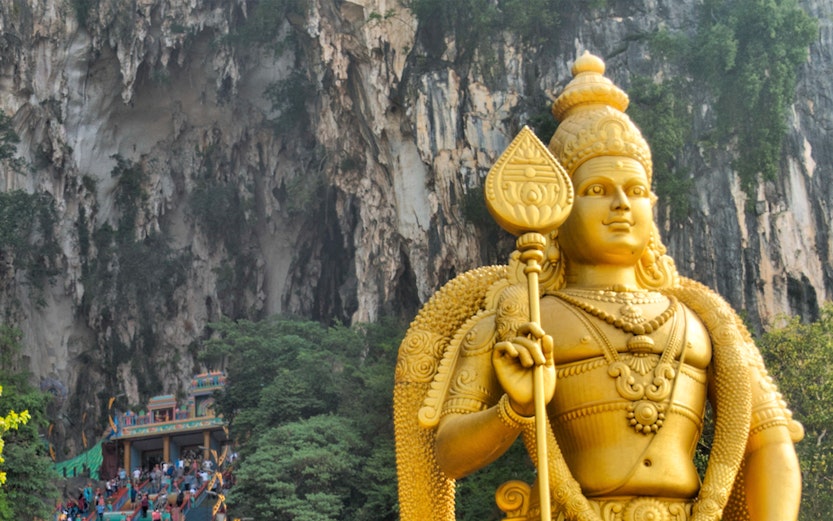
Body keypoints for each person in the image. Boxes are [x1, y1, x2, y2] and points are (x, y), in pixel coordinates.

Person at [393, 52, 803, 521]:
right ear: (557, 209)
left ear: (653, 204)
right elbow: (448, 454)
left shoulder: (704, 320)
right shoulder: (522, 316)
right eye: (597, 190)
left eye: (634, 190)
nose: (621, 204)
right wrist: (516, 408)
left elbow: (769, 441)